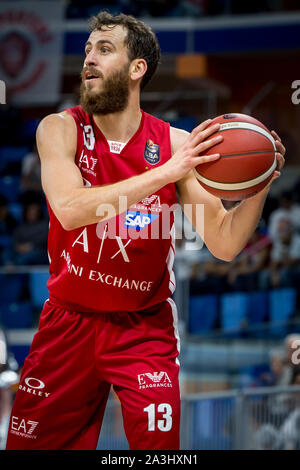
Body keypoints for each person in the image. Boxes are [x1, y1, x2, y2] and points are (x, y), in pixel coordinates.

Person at [5, 11, 285, 450]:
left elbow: (226, 243)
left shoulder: (175, 145)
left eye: (104, 49)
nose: (88, 60)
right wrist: (163, 175)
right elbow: (69, 209)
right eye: (86, 50)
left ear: (137, 69)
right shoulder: (60, 129)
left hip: (142, 329)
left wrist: (259, 183)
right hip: (67, 323)